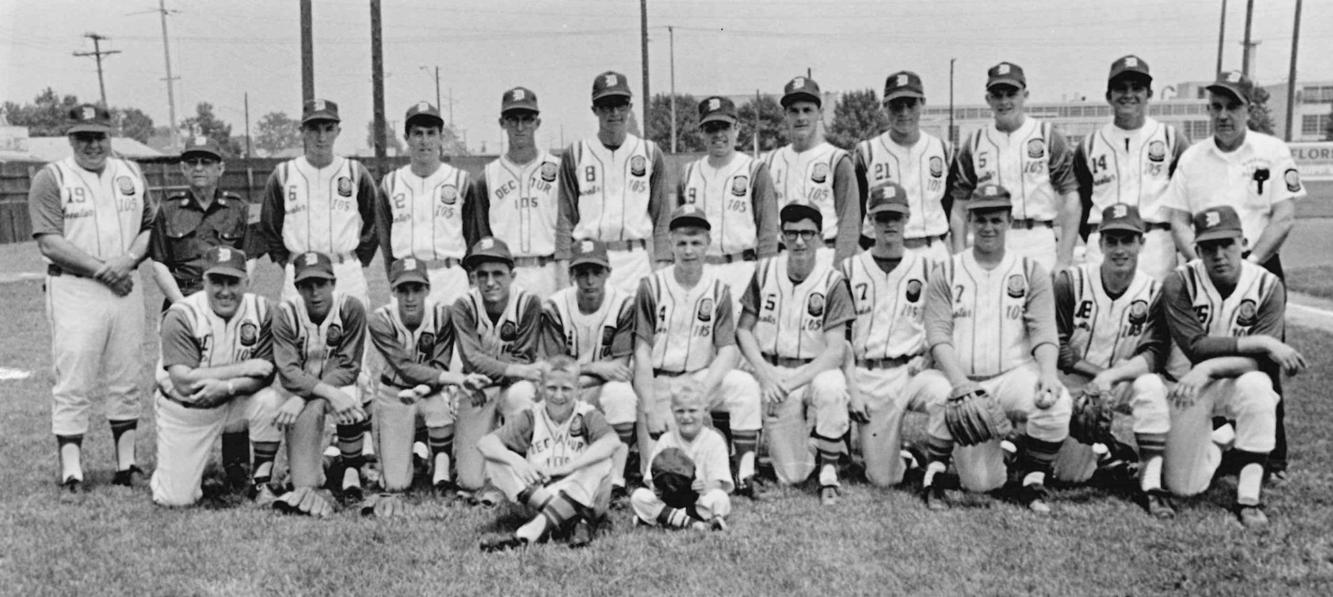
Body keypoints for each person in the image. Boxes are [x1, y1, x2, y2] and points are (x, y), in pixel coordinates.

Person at [1160, 70, 1307, 478]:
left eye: (1233, 106)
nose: (1224, 115)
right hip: (1205, 266)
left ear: (1248, 109)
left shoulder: (1273, 150)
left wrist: (1253, 265)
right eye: (1217, 107)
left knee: (1262, 359)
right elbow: (1178, 221)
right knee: (1205, 349)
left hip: (1258, 263)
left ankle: (1269, 456)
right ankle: (1217, 444)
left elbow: (1284, 216)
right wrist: (1199, 266)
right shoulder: (1193, 157)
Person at [920, 183, 1071, 513]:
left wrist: (1047, 373)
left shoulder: (1031, 271)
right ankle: (950, 464)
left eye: (996, 219)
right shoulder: (946, 270)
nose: (988, 227)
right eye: (981, 219)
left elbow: (1044, 331)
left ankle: (1033, 477)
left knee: (1056, 403)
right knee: (982, 483)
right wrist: (962, 385)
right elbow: (938, 336)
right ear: (970, 221)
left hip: (1011, 374)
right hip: (962, 377)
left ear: (1010, 221)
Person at [28, 103, 153, 491]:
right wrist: (104, 270)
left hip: (125, 286)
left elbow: (150, 226)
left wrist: (128, 260)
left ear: (110, 134)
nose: (92, 145)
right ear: (70, 138)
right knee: (74, 377)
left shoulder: (130, 172)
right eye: (83, 136)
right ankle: (71, 469)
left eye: (98, 136)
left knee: (126, 374)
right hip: (75, 288)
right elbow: (49, 241)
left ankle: (126, 463)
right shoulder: (53, 177)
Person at [1155, 205, 1304, 527]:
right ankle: (1221, 441)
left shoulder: (1267, 285)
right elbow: (1195, 346)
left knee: (1259, 388)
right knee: (1184, 487)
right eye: (1209, 246)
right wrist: (1262, 342)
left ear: (1244, 242)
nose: (1219, 254)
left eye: (1227, 244)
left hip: (1228, 380)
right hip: (1185, 386)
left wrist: (1210, 368)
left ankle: (1249, 498)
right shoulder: (1178, 282)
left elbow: (1261, 364)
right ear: (1197, 250)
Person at [1048, 205, 1177, 516]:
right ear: (1100, 243)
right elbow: (1060, 349)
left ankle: (1151, 484)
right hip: (1074, 384)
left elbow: (1155, 353)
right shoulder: (1071, 282)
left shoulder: (1154, 291)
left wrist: (1109, 379)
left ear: (1141, 243)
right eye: (1113, 240)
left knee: (1150, 386)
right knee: (1069, 476)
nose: (1120, 249)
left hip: (1120, 382)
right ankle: (1109, 449)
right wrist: (1099, 377)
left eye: (1128, 240)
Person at [632, 205, 763, 497]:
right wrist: (651, 408)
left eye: (695, 242)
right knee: (656, 475)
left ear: (708, 244)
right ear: (670, 244)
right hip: (660, 380)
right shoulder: (651, 286)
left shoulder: (718, 290)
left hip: (700, 377)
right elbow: (641, 352)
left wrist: (700, 392)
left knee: (743, 385)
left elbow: (727, 350)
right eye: (681, 243)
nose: (689, 250)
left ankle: (745, 469)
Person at [736, 202, 854, 506]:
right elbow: (743, 330)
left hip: (812, 371)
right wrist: (765, 374)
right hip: (773, 370)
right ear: (782, 236)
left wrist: (790, 383)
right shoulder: (764, 271)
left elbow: (835, 351)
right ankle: (817, 446)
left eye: (807, 233)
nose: (799, 241)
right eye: (791, 234)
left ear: (820, 237)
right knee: (793, 475)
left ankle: (829, 471)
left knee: (832, 386)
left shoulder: (832, 281)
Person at [150, 247, 282, 507]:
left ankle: (261, 483)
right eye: (217, 281)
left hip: (233, 403)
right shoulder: (182, 314)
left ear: (246, 281)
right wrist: (241, 370)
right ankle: (168, 470)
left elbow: (266, 372)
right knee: (175, 500)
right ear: (204, 281)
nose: (224, 291)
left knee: (271, 401)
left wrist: (229, 387)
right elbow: (184, 381)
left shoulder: (263, 309)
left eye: (232, 282)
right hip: (186, 409)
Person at [840, 183, 951, 488]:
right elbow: (842, 338)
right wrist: (853, 386)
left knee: (946, 395)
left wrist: (929, 358)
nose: (889, 224)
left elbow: (943, 325)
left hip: (911, 371)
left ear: (907, 219)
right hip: (867, 373)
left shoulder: (929, 267)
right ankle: (904, 458)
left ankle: (937, 466)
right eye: (882, 217)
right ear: (870, 220)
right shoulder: (849, 269)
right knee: (883, 478)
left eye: (896, 217)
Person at [367, 257, 489, 501]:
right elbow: (403, 367)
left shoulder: (443, 315)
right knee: (396, 485)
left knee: (438, 406)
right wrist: (453, 378)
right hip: (394, 393)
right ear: (393, 290)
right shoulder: (380, 320)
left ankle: (441, 471)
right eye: (403, 290)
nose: (410, 297)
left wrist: (425, 387)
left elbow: (439, 363)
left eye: (416, 289)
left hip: (431, 391)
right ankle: (415, 451)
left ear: (427, 289)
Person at [477, 356, 620, 551]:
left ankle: (527, 534)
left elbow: (612, 441)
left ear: (578, 389)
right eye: (552, 388)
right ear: (541, 388)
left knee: (601, 462)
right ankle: (573, 521)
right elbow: (485, 443)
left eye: (566, 389)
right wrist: (517, 461)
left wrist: (568, 467)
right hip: (536, 495)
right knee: (495, 461)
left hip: (577, 491)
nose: (559, 396)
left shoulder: (586, 414)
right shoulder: (532, 415)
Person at [948, 62, 1080, 272]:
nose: (1004, 101)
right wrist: (959, 258)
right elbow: (959, 207)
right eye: (997, 95)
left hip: (1037, 237)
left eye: (1011, 93)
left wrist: (1064, 259)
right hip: (990, 240)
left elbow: (1070, 199)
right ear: (988, 99)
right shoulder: (975, 142)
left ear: (1025, 95)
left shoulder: (1046, 135)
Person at [1072, 56, 1188, 280]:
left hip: (1155, 242)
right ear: (1109, 96)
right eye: (1120, 88)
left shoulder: (1171, 139)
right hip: (1105, 241)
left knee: (1154, 310)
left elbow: (1184, 199)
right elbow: (1082, 201)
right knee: (1103, 311)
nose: (1128, 95)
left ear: (1149, 94)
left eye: (1137, 88)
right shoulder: (1089, 144)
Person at [539, 239, 638, 498]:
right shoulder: (555, 306)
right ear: (572, 275)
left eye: (596, 272)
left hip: (597, 386)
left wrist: (586, 372)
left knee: (621, 393)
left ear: (608, 273)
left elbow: (620, 367)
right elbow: (556, 372)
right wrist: (597, 367)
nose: (590, 280)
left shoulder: (623, 304)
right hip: (571, 388)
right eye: (582, 273)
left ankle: (617, 477)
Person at [557, 71, 671, 293]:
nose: (614, 112)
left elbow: (662, 218)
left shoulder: (649, 152)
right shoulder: (577, 153)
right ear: (594, 110)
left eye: (621, 104)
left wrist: (662, 265)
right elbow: (565, 219)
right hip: (589, 260)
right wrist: (563, 273)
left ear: (630, 107)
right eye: (606, 105)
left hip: (634, 260)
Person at [270, 252, 368, 511]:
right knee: (306, 483)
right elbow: (288, 371)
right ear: (297, 287)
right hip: (299, 390)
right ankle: (328, 460)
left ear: (333, 283)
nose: (315, 292)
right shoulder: (286, 314)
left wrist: (314, 395)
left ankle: (352, 470)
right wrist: (315, 394)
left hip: (332, 384)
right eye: (307, 285)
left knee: (350, 392)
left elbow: (349, 365)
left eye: (321, 284)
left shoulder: (351, 308)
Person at [258, 99, 378, 304]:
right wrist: (286, 261)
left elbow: (376, 220)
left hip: (343, 268)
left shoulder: (354, 171)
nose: (321, 137)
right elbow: (269, 226)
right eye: (314, 129)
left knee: (350, 332)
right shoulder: (284, 173)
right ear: (302, 130)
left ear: (338, 131)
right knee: (299, 333)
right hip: (300, 269)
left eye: (328, 128)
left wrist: (359, 257)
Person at [450, 237, 543, 494]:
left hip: (509, 387)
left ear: (512, 275)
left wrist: (508, 370)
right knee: (470, 481)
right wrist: (513, 369)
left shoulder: (528, 303)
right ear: (473, 278)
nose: (490, 282)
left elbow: (524, 357)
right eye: (483, 275)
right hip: (477, 388)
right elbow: (471, 359)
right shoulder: (463, 306)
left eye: (498, 274)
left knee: (524, 393)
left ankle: (525, 464)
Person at [376, 101, 484, 306]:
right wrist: (395, 274)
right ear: (406, 138)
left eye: (431, 133)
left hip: (449, 277)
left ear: (441, 138)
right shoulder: (390, 184)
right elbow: (385, 240)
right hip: (408, 279)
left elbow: (472, 237)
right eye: (417, 133)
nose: (424, 141)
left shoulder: (461, 182)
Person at [677, 95, 779, 309]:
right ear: (701, 132)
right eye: (711, 128)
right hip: (700, 270)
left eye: (724, 126)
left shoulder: (754, 170)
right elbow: (678, 232)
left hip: (742, 269)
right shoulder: (689, 173)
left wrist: (765, 277)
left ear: (737, 128)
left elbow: (768, 233)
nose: (719, 134)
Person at [852, 71, 955, 263]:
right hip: (881, 251)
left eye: (911, 104)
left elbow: (952, 206)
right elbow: (855, 212)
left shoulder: (943, 150)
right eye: (896, 105)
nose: (904, 112)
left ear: (923, 102)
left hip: (930, 248)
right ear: (885, 107)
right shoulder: (867, 152)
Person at [472, 87, 563, 298]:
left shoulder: (557, 169)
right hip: (505, 274)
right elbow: (482, 235)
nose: (520, 127)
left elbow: (568, 229)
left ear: (537, 123)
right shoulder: (489, 176)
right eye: (513, 119)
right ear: (502, 123)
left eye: (527, 119)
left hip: (548, 269)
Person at [763, 76, 860, 266]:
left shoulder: (836, 159)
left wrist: (840, 267)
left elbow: (849, 222)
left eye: (807, 110)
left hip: (824, 254)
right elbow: (764, 223)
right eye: (794, 111)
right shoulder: (770, 161)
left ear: (820, 113)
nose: (801, 117)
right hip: (784, 256)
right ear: (785, 114)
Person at [149, 135, 255, 310]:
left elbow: (249, 261)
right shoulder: (169, 210)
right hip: (182, 296)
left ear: (220, 168)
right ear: (183, 168)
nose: (198, 168)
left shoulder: (239, 208)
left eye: (206, 162)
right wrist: (182, 306)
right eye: (192, 162)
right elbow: (158, 264)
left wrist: (233, 299)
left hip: (227, 298)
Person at [630, 382, 731, 531]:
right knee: (639, 496)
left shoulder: (714, 440)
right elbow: (652, 478)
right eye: (680, 411)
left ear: (705, 410)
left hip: (699, 500)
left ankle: (665, 518)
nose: (686, 416)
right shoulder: (666, 439)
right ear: (672, 411)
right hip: (669, 498)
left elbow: (718, 482)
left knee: (720, 498)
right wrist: (655, 488)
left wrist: (706, 486)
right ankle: (693, 523)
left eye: (692, 410)